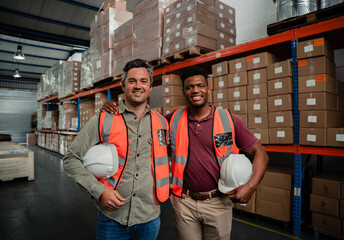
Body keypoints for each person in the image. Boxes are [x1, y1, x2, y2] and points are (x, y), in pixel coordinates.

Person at [101, 66, 269, 240]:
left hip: (218, 202)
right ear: (183, 91)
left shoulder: (229, 120)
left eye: (200, 85)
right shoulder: (170, 120)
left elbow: (260, 153)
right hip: (184, 203)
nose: (195, 90)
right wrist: (112, 109)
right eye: (189, 87)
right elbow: (139, 123)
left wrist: (250, 186)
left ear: (208, 88)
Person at [63, 59, 170, 240]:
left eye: (143, 81)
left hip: (150, 217)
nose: (138, 86)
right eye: (132, 81)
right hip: (113, 219)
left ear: (150, 87)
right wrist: (99, 190)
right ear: (122, 85)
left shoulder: (161, 123)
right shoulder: (104, 119)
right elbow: (71, 159)